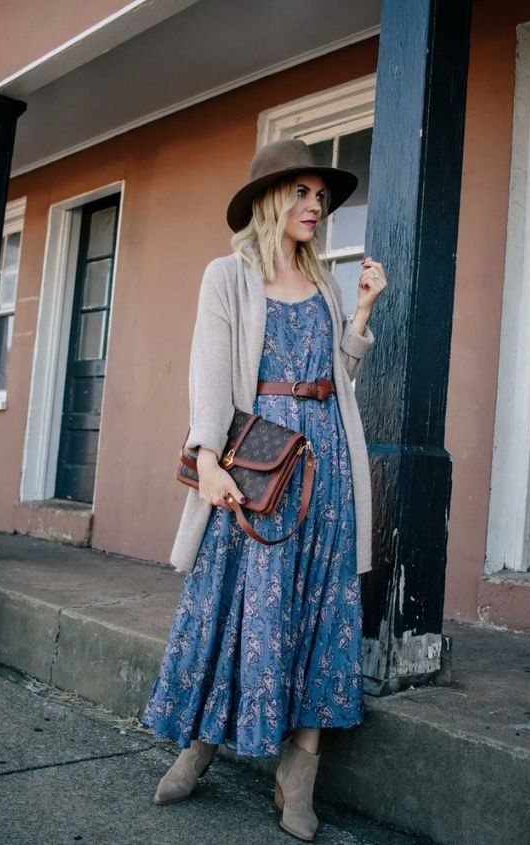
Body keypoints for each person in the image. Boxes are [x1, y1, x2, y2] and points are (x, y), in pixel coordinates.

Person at [140, 138, 387, 842]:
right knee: (233, 606)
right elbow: (210, 372)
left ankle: (297, 776)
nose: (317, 206)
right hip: (256, 468)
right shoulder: (228, 277)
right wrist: (208, 458)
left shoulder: (326, 282)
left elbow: (339, 377)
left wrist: (362, 313)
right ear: (272, 198)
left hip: (328, 469)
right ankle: (201, 745)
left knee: (318, 610)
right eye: (304, 193)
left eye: (322, 196)